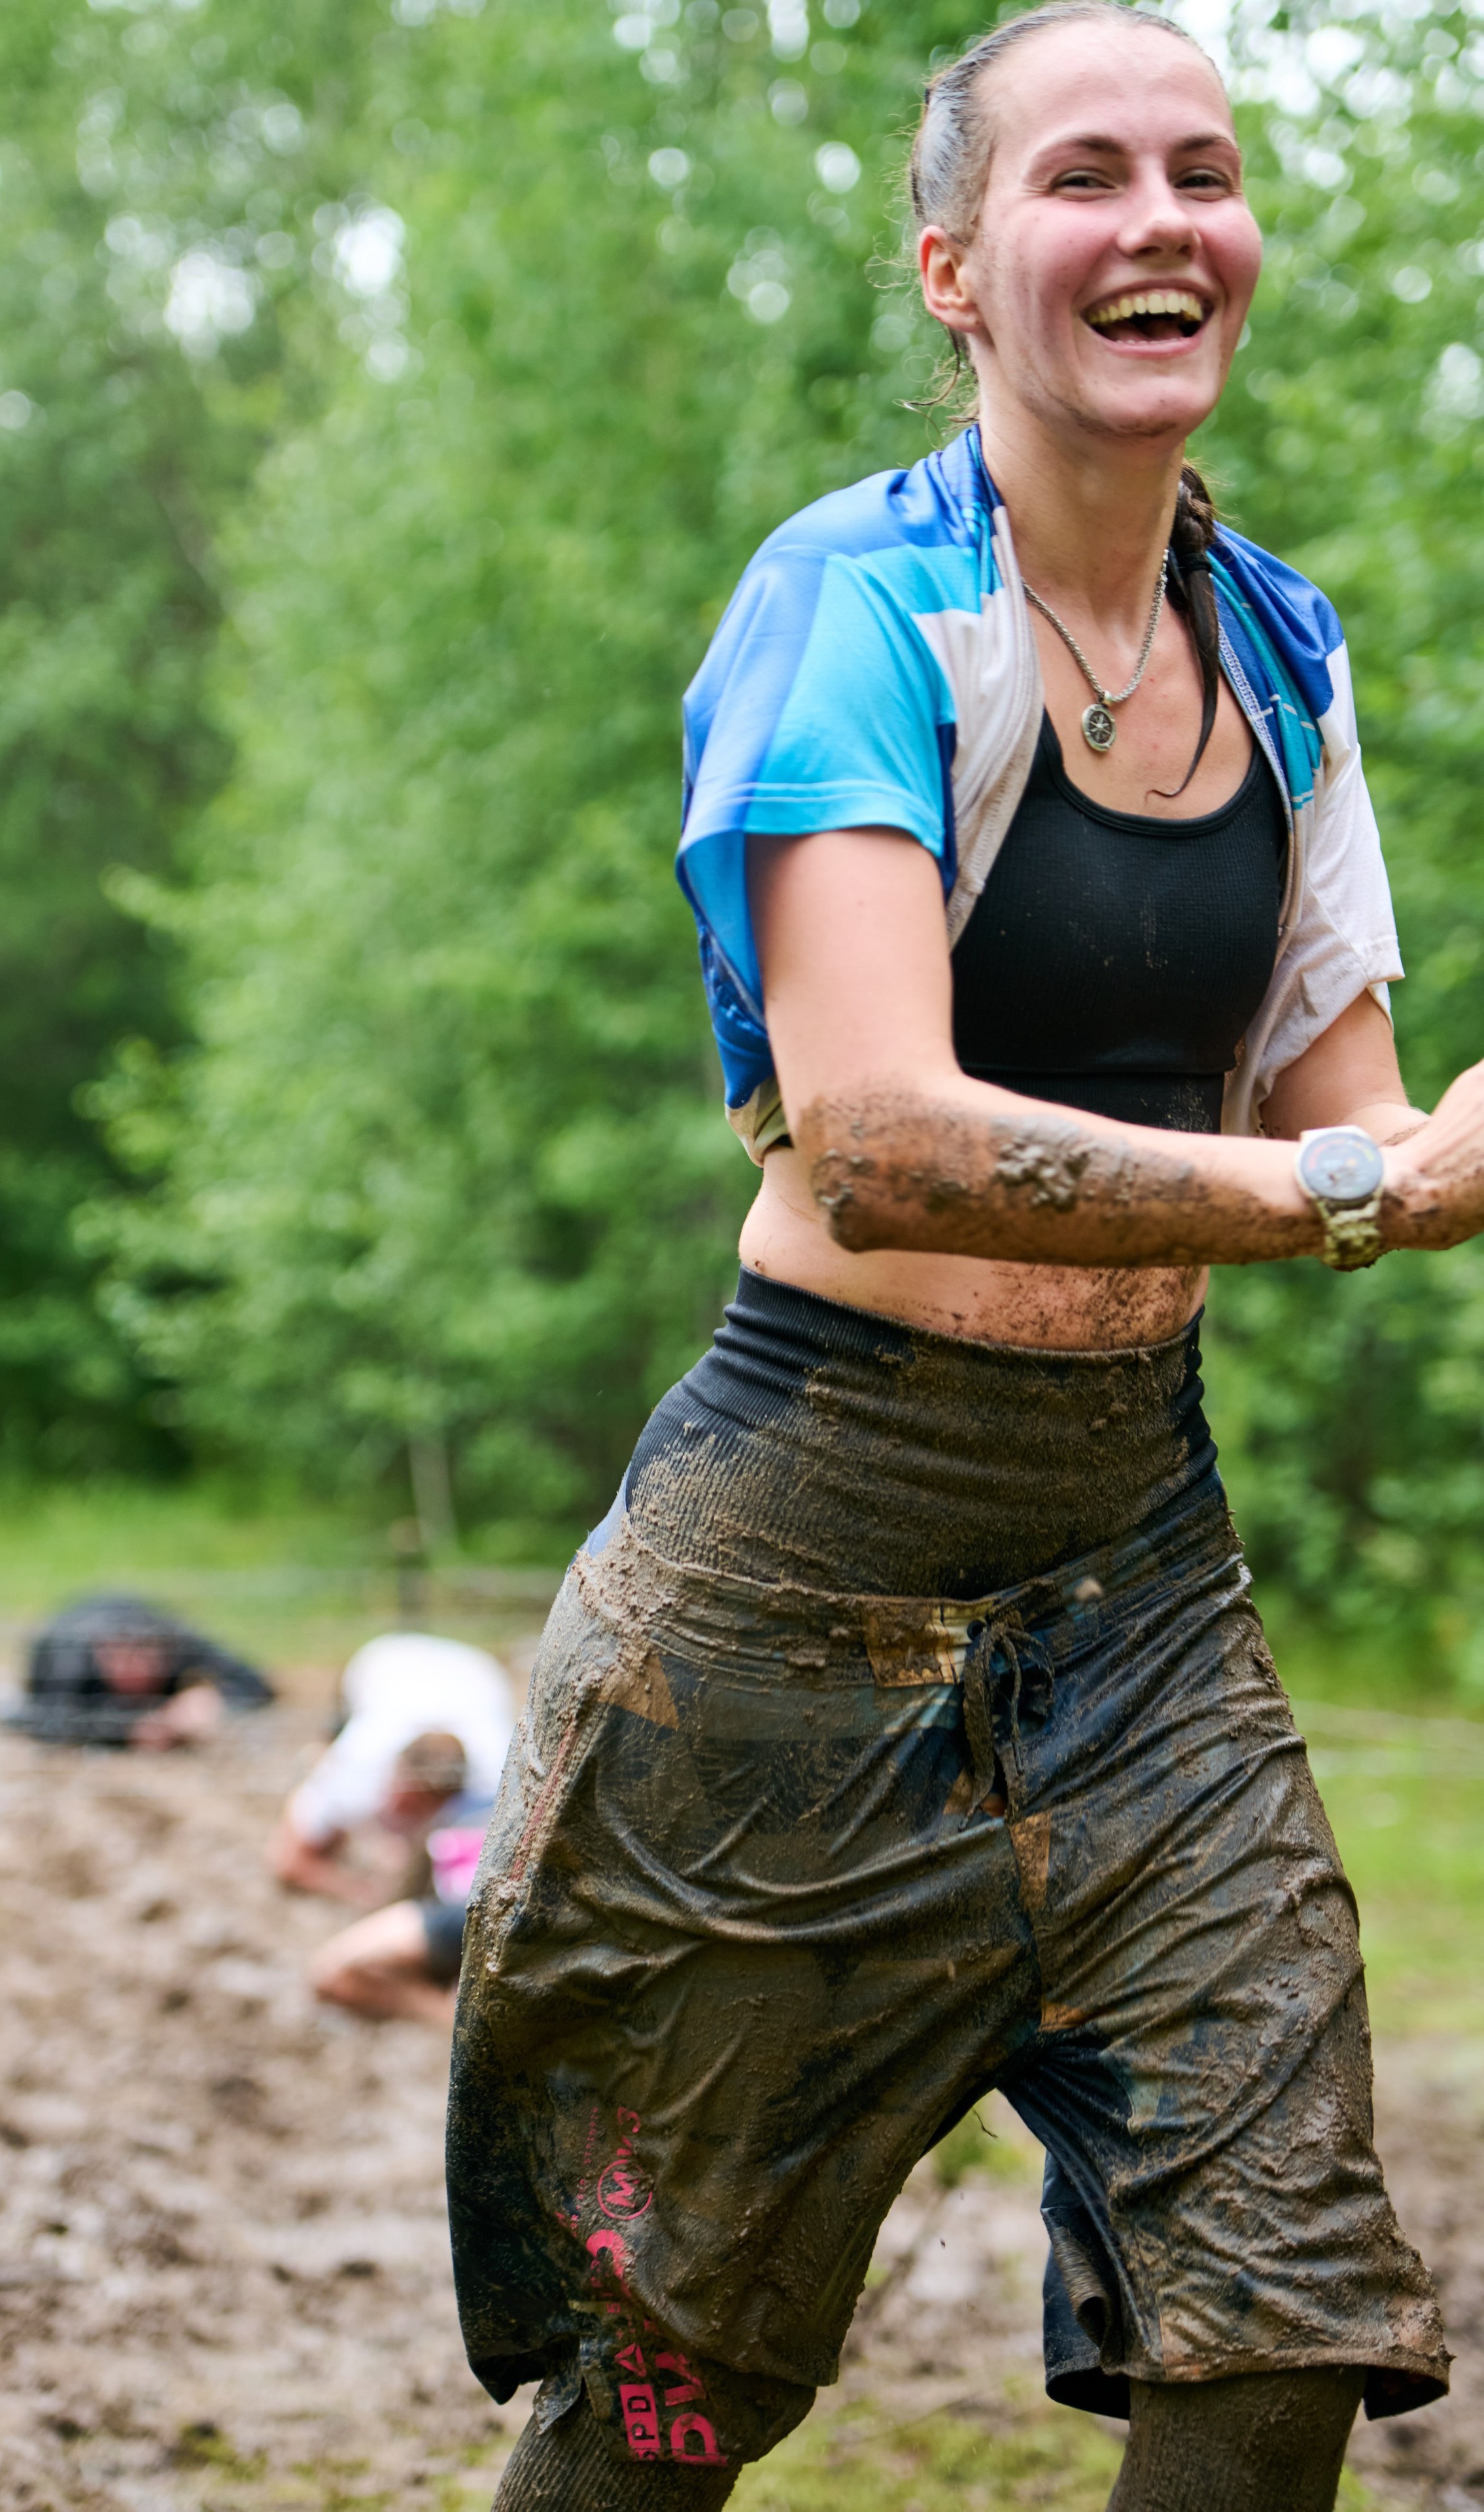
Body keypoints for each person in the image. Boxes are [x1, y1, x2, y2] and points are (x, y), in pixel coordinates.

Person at [445, 11, 1474, 2508]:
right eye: (1081, 176)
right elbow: (881, 1139)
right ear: (950, 267)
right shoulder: (856, 603)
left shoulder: (1284, 647)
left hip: (1138, 1587)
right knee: (672, 2385)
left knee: (1279, 2311)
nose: (1160, 220)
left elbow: (1353, 1122)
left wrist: (1410, 1164)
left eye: (1203, 170)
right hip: (793, 1601)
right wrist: (1359, 1192)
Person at [266, 1630, 515, 2023]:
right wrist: (368, 1895)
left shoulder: (496, 1778)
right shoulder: (353, 1772)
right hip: (381, 1662)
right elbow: (287, 1861)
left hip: (480, 1678)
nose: (402, 1812)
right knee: (322, 1827)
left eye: (416, 1811)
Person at [0, 1593, 274, 1747]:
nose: (136, 1670)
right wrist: (127, 1732)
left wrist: (211, 1698)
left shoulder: (179, 1641)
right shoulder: (69, 1656)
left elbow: (257, 1684)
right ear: (102, 1651)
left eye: (148, 1658)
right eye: (122, 1659)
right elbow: (41, 1720)